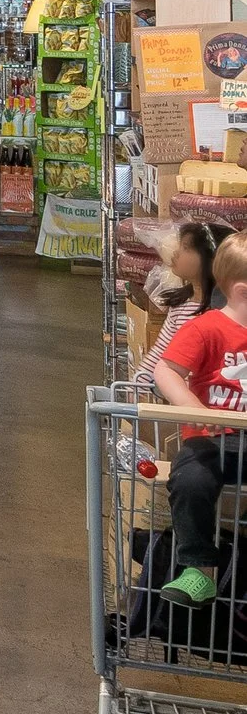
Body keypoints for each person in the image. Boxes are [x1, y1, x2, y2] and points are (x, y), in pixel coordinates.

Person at [149, 232, 247, 608]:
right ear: (241, 291)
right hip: (211, 438)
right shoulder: (205, 328)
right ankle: (198, 570)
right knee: (190, 481)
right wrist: (195, 409)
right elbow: (166, 371)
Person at [135, 222, 233, 394]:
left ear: (211, 259)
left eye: (186, 248)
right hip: (183, 400)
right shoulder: (180, 306)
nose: (176, 253)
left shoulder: (225, 313)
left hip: (215, 401)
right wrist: (136, 387)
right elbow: (161, 351)